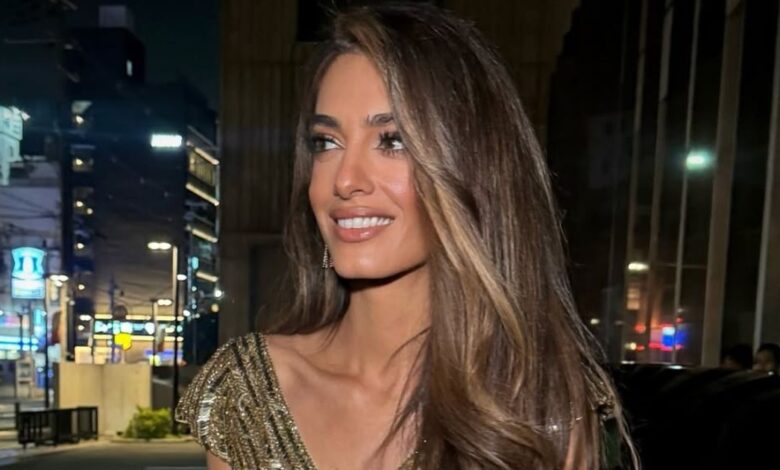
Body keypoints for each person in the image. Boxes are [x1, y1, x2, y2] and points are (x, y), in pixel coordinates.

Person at [176, 3, 635, 469]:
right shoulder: (249, 392)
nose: (344, 180)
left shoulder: (537, 402)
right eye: (326, 143)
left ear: (472, 167)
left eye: (392, 141)